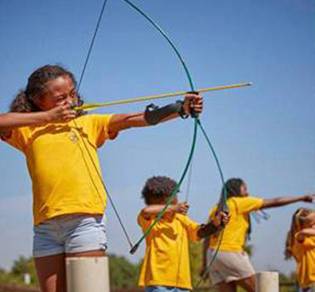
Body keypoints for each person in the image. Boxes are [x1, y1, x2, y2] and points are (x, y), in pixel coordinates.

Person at [0, 64, 203, 292]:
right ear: (38, 100)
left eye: (73, 93)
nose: (70, 100)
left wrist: (181, 108)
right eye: (60, 98)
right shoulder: (27, 131)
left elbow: (136, 118)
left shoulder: (88, 123)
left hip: (84, 223)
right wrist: (47, 117)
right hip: (46, 228)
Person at [201, 177, 315, 292]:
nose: (247, 192)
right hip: (230, 252)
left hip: (212, 256)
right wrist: (301, 198)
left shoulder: (216, 209)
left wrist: (204, 264)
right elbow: (275, 201)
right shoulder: (238, 202)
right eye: (244, 189)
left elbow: (207, 237)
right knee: (262, 288)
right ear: (236, 190)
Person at [137, 176, 230, 292]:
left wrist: (215, 225)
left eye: (175, 195)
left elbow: (199, 233)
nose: (176, 199)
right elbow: (145, 211)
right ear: (157, 200)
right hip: (158, 282)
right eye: (171, 196)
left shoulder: (181, 219)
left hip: (182, 283)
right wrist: (173, 208)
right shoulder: (150, 220)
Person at [285, 208, 315, 292]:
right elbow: (302, 233)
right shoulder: (299, 239)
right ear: (300, 226)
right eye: (312, 224)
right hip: (311, 282)